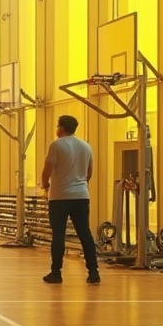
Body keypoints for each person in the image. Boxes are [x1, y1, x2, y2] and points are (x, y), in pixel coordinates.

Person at [41, 114, 100, 285]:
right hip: (81, 196)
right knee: (85, 233)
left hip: (59, 197)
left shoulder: (56, 145)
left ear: (61, 128)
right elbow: (89, 172)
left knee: (58, 234)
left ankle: (56, 272)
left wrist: (45, 184)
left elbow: (47, 169)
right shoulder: (86, 146)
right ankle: (94, 271)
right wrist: (81, 185)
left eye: (57, 126)